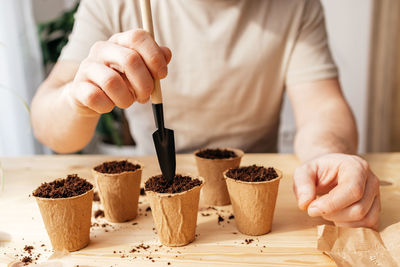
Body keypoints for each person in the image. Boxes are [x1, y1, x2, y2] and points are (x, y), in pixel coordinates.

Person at [31, 0, 380, 230]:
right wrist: (77, 100)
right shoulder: (117, 4)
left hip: (250, 191)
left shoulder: (295, 5)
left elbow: (322, 107)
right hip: (149, 200)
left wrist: (328, 156)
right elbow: (49, 125)